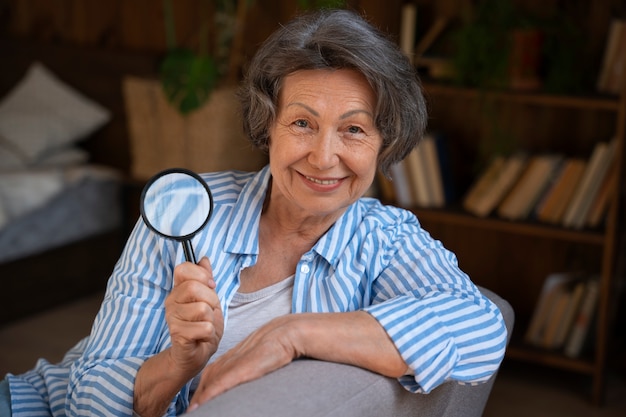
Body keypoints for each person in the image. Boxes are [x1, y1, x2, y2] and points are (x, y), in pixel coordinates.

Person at [1, 8, 507, 417]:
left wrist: (292, 334)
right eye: (303, 123)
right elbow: (83, 398)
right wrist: (178, 362)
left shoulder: (386, 239)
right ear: (269, 127)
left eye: (354, 130)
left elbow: (481, 327)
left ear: (384, 143)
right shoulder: (185, 209)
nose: (324, 156)